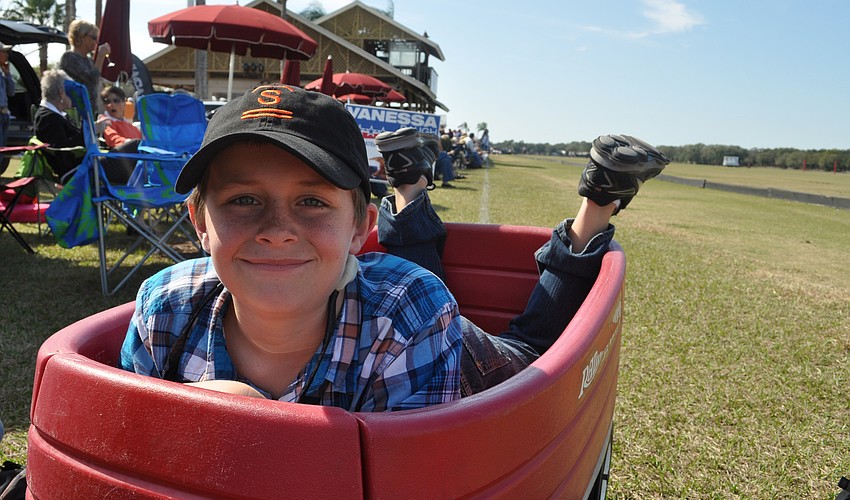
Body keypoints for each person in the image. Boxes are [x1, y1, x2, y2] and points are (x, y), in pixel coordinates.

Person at [120, 84, 669, 411]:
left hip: (480, 361)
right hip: (397, 302)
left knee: (530, 347)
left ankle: (597, 200)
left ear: (362, 225)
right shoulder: (164, 309)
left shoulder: (411, 312)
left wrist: (249, 421)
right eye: (243, 201)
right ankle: (409, 184)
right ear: (199, 221)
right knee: (413, 287)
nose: (277, 230)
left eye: (312, 202)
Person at [33, 70, 86, 179]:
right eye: (71, 92)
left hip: (83, 166)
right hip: (76, 170)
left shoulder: (53, 115)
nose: (74, 96)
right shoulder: (49, 118)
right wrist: (88, 131)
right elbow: (63, 153)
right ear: (62, 93)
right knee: (129, 149)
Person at [60, 19, 110, 114]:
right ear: (81, 37)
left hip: (89, 112)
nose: (96, 42)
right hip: (74, 113)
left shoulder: (88, 60)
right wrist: (101, 56)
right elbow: (92, 79)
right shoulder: (69, 57)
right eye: (93, 37)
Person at [99, 85, 142, 183]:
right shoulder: (104, 121)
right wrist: (131, 143)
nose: (111, 105)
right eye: (107, 101)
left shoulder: (131, 126)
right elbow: (112, 139)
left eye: (116, 101)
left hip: (132, 165)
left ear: (124, 102)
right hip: (114, 164)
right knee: (136, 144)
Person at [0, 43, 15, 149]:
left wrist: (8, 74)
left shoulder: (2, 74)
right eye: (4, 52)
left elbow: (11, 92)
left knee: (2, 150)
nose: (7, 55)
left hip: (5, 115)